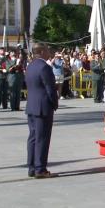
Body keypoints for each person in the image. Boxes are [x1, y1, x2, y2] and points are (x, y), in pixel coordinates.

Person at [25, 43, 59, 179]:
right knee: (42, 139)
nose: (48, 52)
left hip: (31, 107)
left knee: (33, 138)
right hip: (42, 107)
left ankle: (32, 167)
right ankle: (40, 169)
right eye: (46, 50)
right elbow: (50, 89)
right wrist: (55, 104)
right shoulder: (44, 67)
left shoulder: (30, 66)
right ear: (42, 52)